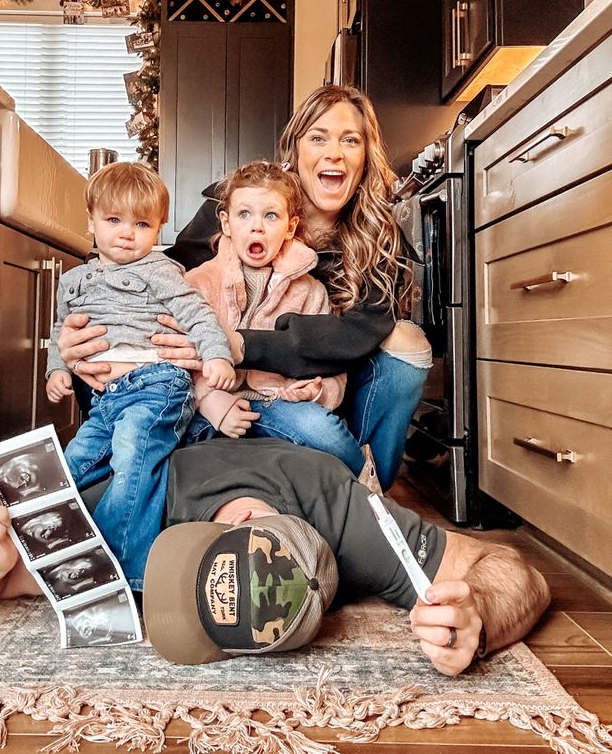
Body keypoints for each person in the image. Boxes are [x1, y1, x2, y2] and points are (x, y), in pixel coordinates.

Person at [57, 86, 432, 490]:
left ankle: (362, 483)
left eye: (350, 140)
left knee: (405, 344)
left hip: (311, 392)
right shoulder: (239, 205)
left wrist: (243, 345)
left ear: (365, 156)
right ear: (295, 148)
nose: (334, 153)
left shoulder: (379, 236)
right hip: (213, 386)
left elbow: (360, 334)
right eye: (318, 137)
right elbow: (158, 280)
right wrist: (78, 343)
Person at [0, 439, 551, 677]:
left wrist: (477, 620)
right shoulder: (133, 502)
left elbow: (518, 573)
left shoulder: (357, 534)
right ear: (244, 522)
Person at [44, 161, 235, 587]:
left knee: (133, 458)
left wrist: (216, 356)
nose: (126, 233)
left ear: (159, 226)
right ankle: (48, 549)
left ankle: (124, 575)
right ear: (91, 219)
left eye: (142, 223)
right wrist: (57, 368)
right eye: (113, 220)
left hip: (157, 385)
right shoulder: (73, 281)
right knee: (70, 464)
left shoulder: (161, 271)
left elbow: (198, 315)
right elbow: (62, 328)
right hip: (107, 397)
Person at [184, 159, 365, 476]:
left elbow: (329, 363)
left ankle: (365, 499)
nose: (257, 226)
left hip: (277, 404)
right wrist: (208, 400)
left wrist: (311, 392)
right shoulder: (198, 283)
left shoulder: (311, 291)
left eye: (271, 215)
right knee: (176, 435)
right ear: (226, 223)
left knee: (325, 434)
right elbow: (178, 356)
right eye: (244, 214)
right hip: (213, 404)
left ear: (290, 227)